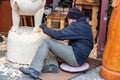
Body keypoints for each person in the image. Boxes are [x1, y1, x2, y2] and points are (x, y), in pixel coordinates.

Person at [19, 7, 93, 79]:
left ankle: (34, 70)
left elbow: (59, 35)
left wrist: (45, 28)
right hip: (79, 56)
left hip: (76, 58)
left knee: (47, 42)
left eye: (68, 19)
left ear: (72, 19)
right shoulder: (83, 25)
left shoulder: (77, 26)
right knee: (52, 44)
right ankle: (52, 65)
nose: (68, 21)